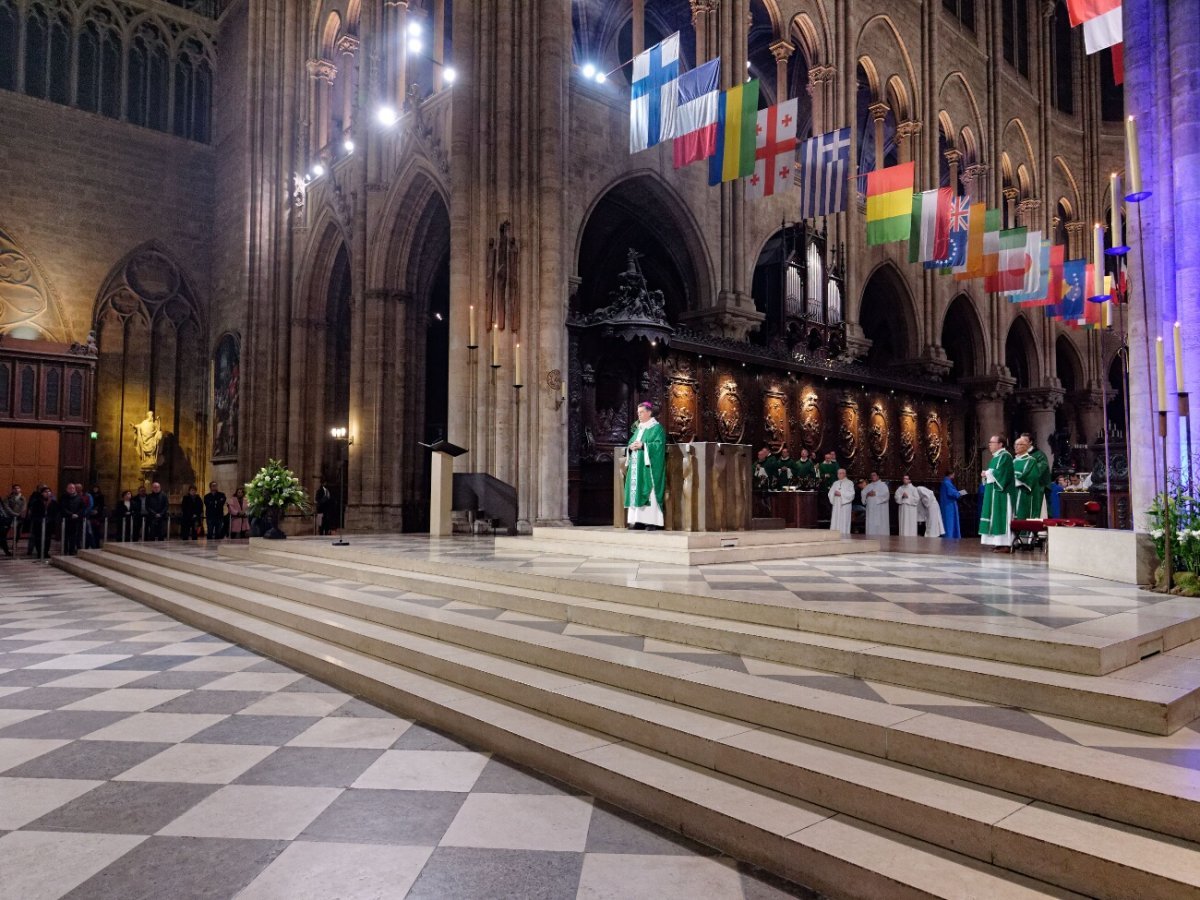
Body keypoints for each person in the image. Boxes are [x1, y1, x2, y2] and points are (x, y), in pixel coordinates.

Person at [624, 401, 666, 530]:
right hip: (637, 466)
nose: (639, 415)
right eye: (638, 413)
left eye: (642, 412)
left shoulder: (657, 428)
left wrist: (644, 446)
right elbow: (631, 442)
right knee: (635, 490)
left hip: (649, 468)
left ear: (649, 412)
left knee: (650, 490)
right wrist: (630, 447)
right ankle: (638, 520)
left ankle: (652, 522)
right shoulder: (639, 428)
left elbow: (659, 446)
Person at [980, 434, 1015, 552]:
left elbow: (1002, 474)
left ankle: (1005, 544)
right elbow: (994, 472)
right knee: (993, 516)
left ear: (1000, 444)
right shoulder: (996, 457)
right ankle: (997, 543)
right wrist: (986, 474)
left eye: (992, 442)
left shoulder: (1005, 456)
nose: (990, 445)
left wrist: (988, 473)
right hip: (994, 492)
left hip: (1002, 494)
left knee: (1001, 517)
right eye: (989, 443)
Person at [1022, 433, 1051, 518]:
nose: (1021, 443)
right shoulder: (1020, 455)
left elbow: (1039, 470)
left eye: (1024, 441)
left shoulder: (1039, 455)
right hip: (1023, 489)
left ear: (1030, 442)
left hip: (1037, 488)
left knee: (1036, 514)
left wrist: (1024, 475)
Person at [1011, 436, 1040, 520]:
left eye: (1019, 444)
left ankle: (1024, 532)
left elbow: (1032, 477)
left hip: (1023, 492)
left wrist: (1014, 477)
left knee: (1021, 515)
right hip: (1012, 492)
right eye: (1015, 444)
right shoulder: (1014, 461)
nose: (1016, 446)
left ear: (1026, 446)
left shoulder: (1031, 460)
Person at [60, 483, 86, 556]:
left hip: (76, 520)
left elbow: (82, 508)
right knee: (65, 536)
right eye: (70, 488)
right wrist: (71, 514)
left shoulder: (79, 498)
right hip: (66, 520)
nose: (71, 489)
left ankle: (72, 550)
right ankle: (64, 550)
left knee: (74, 536)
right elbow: (62, 508)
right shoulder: (63, 497)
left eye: (73, 488)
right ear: (67, 489)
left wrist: (77, 514)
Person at [862, 472, 890, 536]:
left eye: (874, 475)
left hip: (880, 510)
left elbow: (886, 495)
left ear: (878, 476)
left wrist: (876, 493)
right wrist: (867, 494)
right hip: (871, 510)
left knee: (880, 525)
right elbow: (863, 494)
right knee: (871, 525)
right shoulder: (868, 486)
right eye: (871, 475)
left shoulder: (883, 485)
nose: (872, 476)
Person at [828, 468, 855, 535]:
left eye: (841, 473)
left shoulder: (849, 483)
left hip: (844, 506)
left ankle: (844, 535)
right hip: (837, 505)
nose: (839, 475)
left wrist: (841, 494)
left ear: (844, 474)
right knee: (836, 519)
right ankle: (834, 535)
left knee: (844, 520)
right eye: (838, 473)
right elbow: (830, 493)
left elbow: (852, 494)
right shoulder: (835, 483)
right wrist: (833, 493)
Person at [939, 474, 963, 539]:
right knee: (949, 522)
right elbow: (951, 492)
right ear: (951, 474)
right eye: (953, 474)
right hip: (949, 505)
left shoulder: (945, 482)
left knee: (948, 521)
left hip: (947, 504)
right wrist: (959, 493)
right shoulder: (947, 482)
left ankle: (950, 536)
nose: (954, 476)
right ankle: (950, 536)